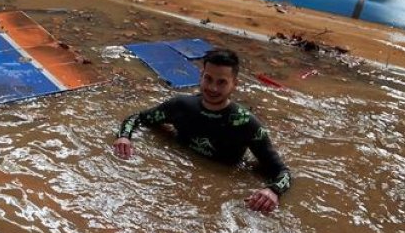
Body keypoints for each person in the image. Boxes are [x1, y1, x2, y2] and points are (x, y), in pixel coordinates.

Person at [113, 49, 291, 213]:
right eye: (208, 79)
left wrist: (273, 190)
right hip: (177, 182)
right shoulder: (181, 106)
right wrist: (124, 137)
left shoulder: (246, 124)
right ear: (201, 76)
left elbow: (283, 173)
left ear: (234, 84)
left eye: (222, 82)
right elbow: (137, 118)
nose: (213, 88)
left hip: (218, 192)